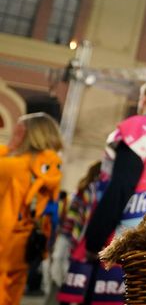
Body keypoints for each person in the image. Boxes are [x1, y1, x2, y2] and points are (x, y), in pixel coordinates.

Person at [57, 80, 146, 304]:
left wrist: (94, 240)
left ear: (143, 99)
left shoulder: (134, 129)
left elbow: (119, 188)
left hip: (118, 244)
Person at [0, 112, 63, 305]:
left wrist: (8, 148)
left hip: (3, 240)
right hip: (26, 244)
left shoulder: (12, 167)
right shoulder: (52, 168)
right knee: (12, 294)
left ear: (25, 135)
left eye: (17, 131)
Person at [46, 161, 100, 305]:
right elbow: (75, 223)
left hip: (68, 241)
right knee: (67, 287)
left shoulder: (84, 191)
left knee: (61, 286)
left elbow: (70, 222)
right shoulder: (90, 192)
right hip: (75, 245)